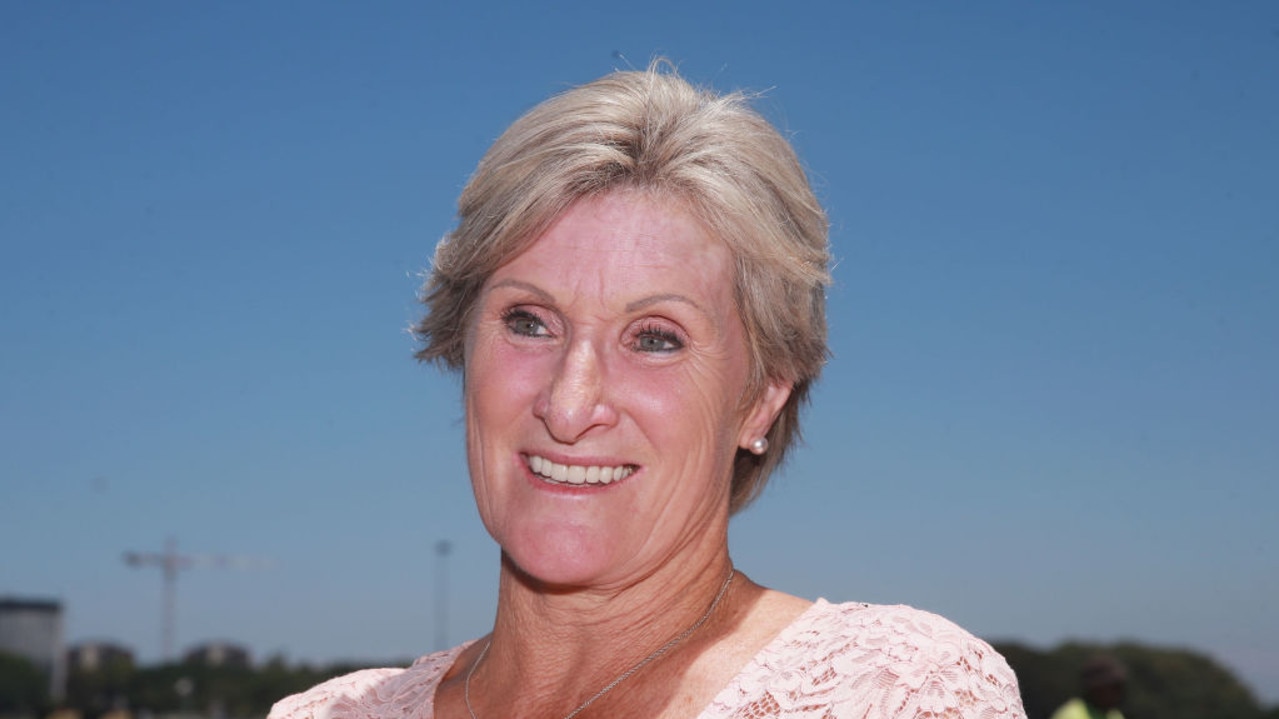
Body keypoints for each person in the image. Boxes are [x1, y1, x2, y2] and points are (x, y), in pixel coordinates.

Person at [270, 61, 1027, 719]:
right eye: (529, 322)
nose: (569, 406)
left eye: (655, 338)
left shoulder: (894, 693)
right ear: (460, 342)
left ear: (761, 396)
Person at [1049, 655, 1127, 719]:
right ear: (1096, 689)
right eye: (1114, 687)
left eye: (1119, 686)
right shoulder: (1071, 715)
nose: (1118, 692)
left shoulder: (1115, 715)